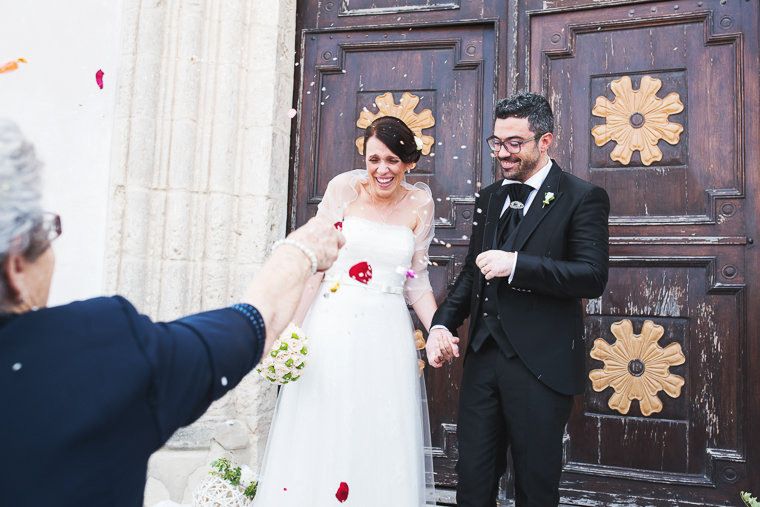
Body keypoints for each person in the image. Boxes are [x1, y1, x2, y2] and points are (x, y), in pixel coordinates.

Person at [0, 119, 345, 506]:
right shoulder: (95, 347)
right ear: (16, 266)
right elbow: (252, 325)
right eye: (48, 232)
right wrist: (302, 251)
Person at [426, 92, 610, 507]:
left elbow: (592, 276)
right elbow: (474, 271)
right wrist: (441, 323)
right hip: (483, 359)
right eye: (497, 142)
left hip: (540, 366)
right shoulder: (490, 197)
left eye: (514, 143)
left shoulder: (582, 197)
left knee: (534, 484)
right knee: (472, 480)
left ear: (545, 141)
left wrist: (518, 264)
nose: (503, 153)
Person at [253, 116, 439, 506]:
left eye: (391, 160)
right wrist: (291, 329)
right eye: (374, 159)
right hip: (333, 324)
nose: (381, 169)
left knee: (379, 428)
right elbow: (316, 266)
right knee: (327, 420)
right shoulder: (343, 190)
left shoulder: (421, 203)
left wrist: (437, 328)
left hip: (386, 332)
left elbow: (415, 278)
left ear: (408, 162)